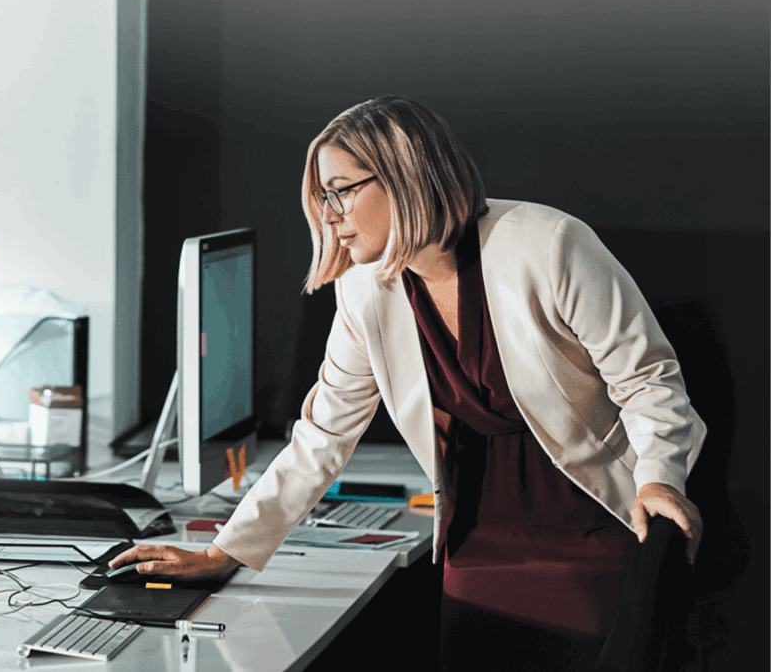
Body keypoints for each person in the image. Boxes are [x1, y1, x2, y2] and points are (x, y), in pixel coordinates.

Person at [110, 96, 705, 670]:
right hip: (479, 529)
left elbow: (648, 378)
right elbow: (322, 435)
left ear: (404, 177)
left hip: (592, 517)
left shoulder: (547, 244)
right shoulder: (365, 288)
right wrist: (225, 551)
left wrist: (661, 480)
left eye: (341, 191)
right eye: (321, 198)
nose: (329, 215)